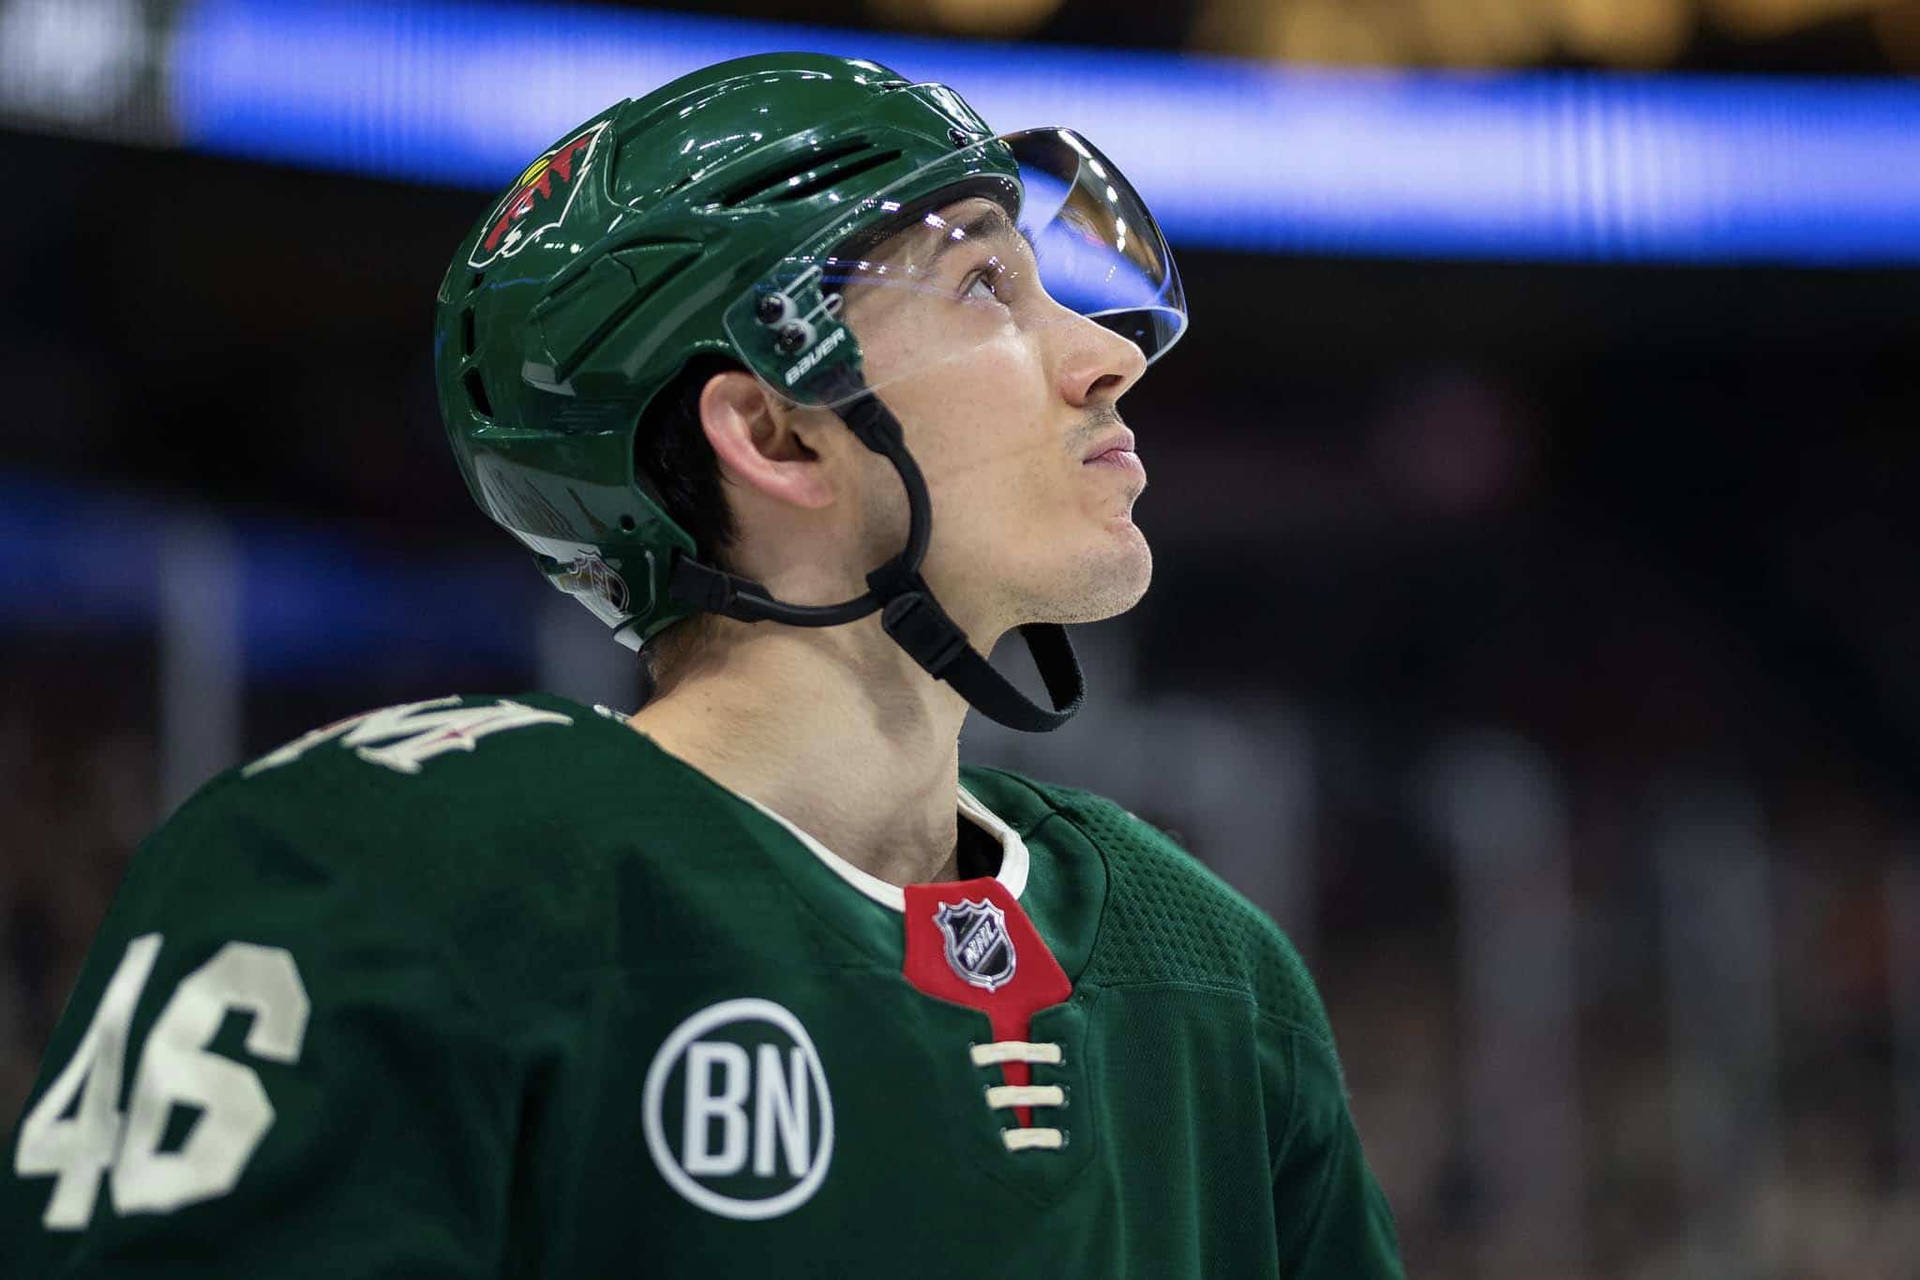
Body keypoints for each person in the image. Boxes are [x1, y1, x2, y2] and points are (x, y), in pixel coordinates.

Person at [2, 53, 1403, 1278]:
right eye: (985, 284)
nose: (1105, 356)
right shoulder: (392, 871)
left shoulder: (1209, 974)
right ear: (776, 436)